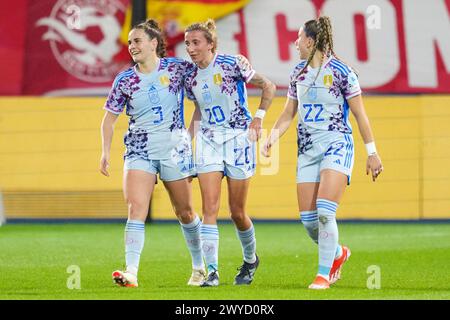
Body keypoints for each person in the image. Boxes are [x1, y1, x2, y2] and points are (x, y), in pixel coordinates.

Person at [262, 16, 383, 289]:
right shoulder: (297, 73)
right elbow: (288, 113)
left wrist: (372, 152)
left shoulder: (342, 72)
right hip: (307, 150)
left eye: (298, 38)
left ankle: (323, 275)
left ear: (310, 41)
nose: (295, 43)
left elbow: (360, 114)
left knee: (325, 212)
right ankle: (338, 253)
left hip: (336, 144)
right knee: (308, 221)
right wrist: (272, 136)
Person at [100, 19, 205, 287]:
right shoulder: (124, 80)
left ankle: (199, 267)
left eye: (136, 41)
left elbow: (203, 101)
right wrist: (105, 153)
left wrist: (187, 137)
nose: (131, 46)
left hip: (174, 150)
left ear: (153, 43)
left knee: (185, 212)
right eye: (129, 42)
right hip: (139, 150)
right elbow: (109, 120)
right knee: (136, 209)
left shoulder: (178, 69)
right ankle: (131, 272)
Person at [184, 19, 276, 287]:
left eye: (196, 42)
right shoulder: (191, 77)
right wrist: (186, 142)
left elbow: (268, 86)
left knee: (237, 212)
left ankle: (250, 259)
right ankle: (212, 272)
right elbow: (200, 110)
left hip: (239, 139)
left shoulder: (233, 64)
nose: (190, 48)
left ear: (210, 44)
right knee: (209, 209)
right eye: (188, 43)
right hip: (209, 141)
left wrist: (258, 118)